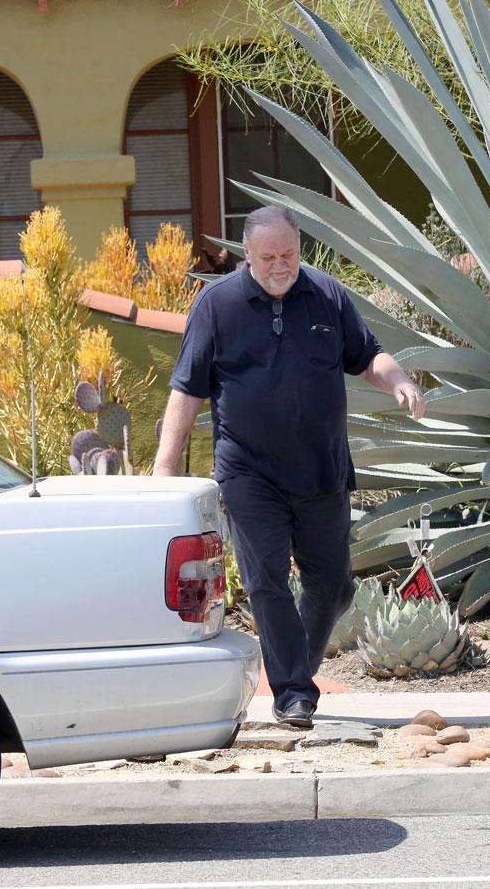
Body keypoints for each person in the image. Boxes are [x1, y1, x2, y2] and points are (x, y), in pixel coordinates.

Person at [153, 205, 426, 729]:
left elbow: (369, 355)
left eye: (290, 255)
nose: (281, 266)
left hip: (321, 471)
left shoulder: (326, 294)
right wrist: (164, 469)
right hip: (249, 471)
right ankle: (294, 692)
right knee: (266, 579)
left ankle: (294, 664)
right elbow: (187, 390)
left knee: (334, 585)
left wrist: (399, 381)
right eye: (269, 257)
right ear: (247, 256)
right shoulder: (218, 305)